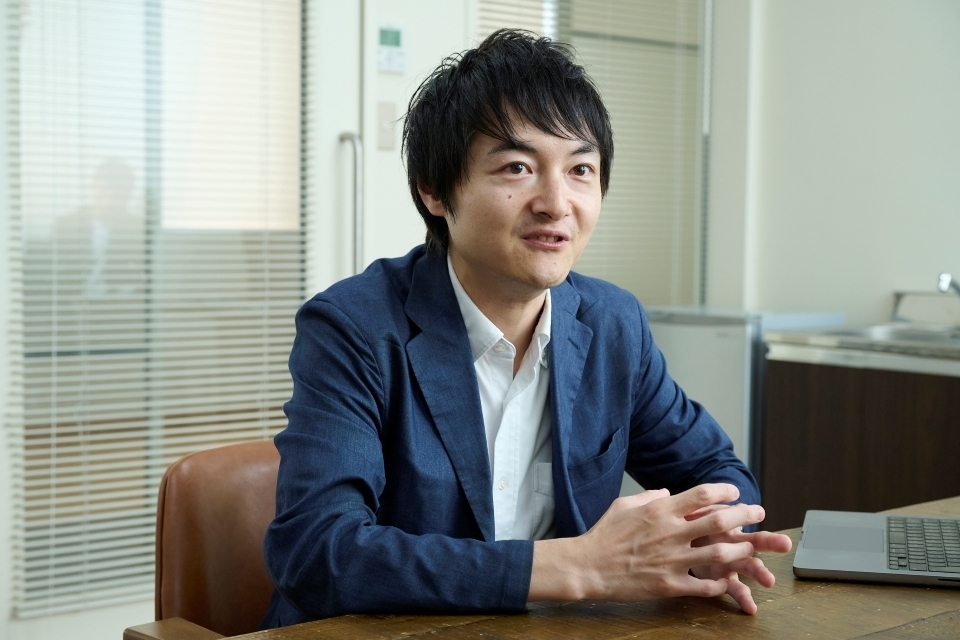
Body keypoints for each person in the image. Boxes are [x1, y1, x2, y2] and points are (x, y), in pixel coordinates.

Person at [261, 29, 791, 627]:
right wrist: (579, 566)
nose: (556, 202)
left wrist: (702, 545)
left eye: (581, 169)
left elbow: (718, 476)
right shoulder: (356, 327)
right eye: (517, 167)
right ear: (434, 191)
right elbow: (319, 554)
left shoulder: (611, 324)